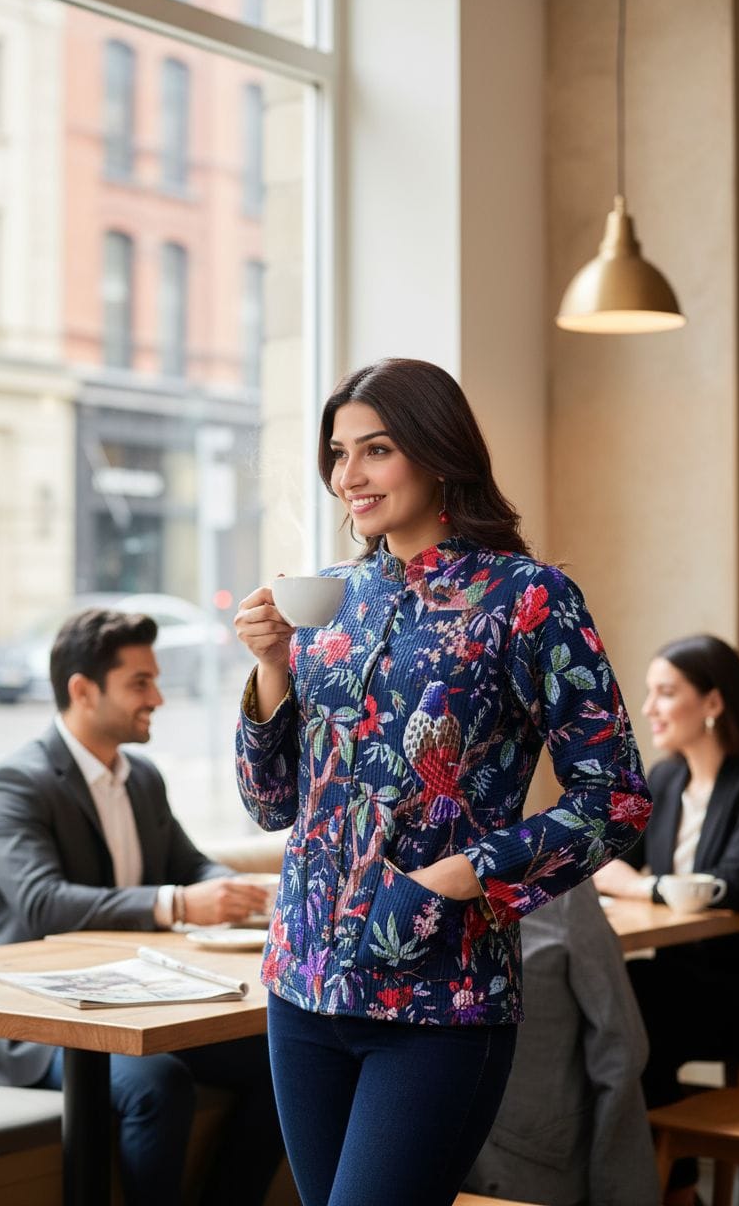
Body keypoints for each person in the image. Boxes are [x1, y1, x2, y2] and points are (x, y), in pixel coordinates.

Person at [233, 357, 652, 1206]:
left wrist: (467, 876)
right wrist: (272, 669)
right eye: (339, 453)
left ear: (437, 452)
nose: (348, 476)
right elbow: (271, 804)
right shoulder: (327, 600)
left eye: (376, 450)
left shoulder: (530, 599)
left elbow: (615, 799)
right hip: (302, 985)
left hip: (439, 993)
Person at [0, 608, 285, 1206]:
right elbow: (42, 902)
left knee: (284, 1065)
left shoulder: (141, 777)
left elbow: (191, 865)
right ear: (83, 690)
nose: (157, 698)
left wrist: (243, 890)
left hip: (137, 1008)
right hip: (32, 1024)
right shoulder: (17, 782)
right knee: (157, 1082)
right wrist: (179, 903)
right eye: (139, 683)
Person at [594, 633, 739, 1206]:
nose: (649, 707)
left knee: (632, 1008)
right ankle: (677, 1188)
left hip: (737, 985)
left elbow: (735, 882)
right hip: (683, 980)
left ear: (713, 702)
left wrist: (640, 887)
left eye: (666, 692)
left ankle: (674, 1189)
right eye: (650, 692)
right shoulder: (665, 779)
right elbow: (611, 862)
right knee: (618, 1007)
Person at [463, 881, 660, 1206]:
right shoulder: (555, 881)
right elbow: (620, 1050)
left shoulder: (383, 875)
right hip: (528, 1158)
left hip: (423, 1159)